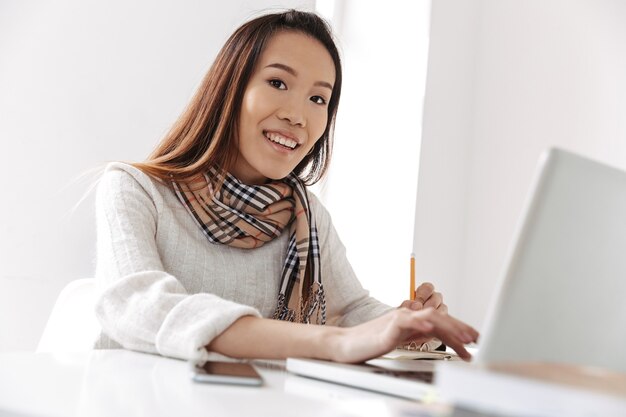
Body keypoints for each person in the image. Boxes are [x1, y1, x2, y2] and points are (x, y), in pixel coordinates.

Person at [94, 9, 478, 363]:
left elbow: (351, 311)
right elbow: (136, 305)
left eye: (317, 98)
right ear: (231, 88)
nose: (297, 115)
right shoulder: (135, 190)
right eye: (278, 82)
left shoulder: (304, 215)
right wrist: (329, 342)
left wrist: (413, 327)